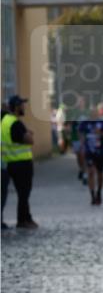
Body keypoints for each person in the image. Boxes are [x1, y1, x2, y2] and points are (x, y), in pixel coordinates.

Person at [1, 94, 38, 229]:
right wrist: (28, 134)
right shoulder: (15, 123)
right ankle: (23, 220)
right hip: (21, 163)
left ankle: (25, 218)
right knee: (24, 193)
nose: (24, 107)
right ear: (16, 107)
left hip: (9, 162)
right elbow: (30, 140)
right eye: (22, 105)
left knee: (17, 193)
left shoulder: (5, 120)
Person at [78, 106, 103, 205]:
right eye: (91, 112)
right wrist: (82, 144)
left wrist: (101, 133)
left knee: (100, 174)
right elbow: (80, 133)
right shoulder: (85, 123)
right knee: (91, 172)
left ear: (98, 113)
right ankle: (92, 195)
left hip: (101, 152)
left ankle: (99, 193)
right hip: (89, 152)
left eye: (95, 112)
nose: (93, 114)